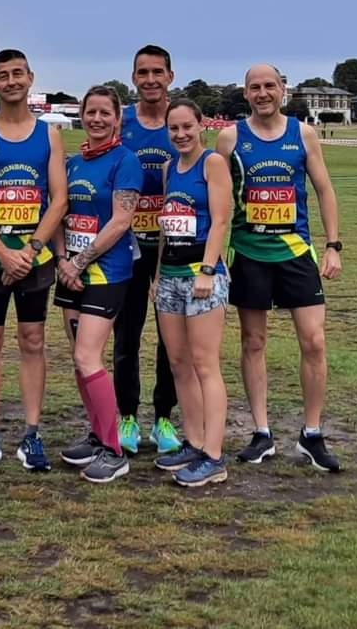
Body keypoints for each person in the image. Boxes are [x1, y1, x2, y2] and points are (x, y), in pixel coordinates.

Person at [216, 64, 343, 472]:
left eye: (270, 85)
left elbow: (323, 189)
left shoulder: (303, 134)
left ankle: (312, 434)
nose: (263, 92)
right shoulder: (230, 137)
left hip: (295, 253)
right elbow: (217, 198)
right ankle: (261, 432)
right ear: (246, 93)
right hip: (249, 254)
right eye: (255, 87)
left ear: (283, 89)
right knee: (253, 342)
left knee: (314, 342)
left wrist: (333, 246)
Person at [0, 49, 67, 472]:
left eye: (17, 74)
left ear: (30, 78)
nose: (10, 81)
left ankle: (32, 433)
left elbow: (58, 198)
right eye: (2, 75)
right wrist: (4, 252)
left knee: (33, 341)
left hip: (34, 259)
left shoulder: (50, 136)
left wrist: (31, 250)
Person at [55, 85, 141, 484]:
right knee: (78, 358)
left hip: (107, 271)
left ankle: (114, 450)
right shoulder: (74, 163)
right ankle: (96, 433)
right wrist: (61, 259)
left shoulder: (126, 161)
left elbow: (121, 221)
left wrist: (79, 261)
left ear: (118, 118)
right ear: (82, 115)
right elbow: (60, 212)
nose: (97, 119)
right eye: (91, 112)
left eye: (106, 112)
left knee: (89, 356)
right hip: (69, 269)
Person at [151, 99, 232, 487]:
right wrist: (155, 276)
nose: (181, 134)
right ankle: (195, 442)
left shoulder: (212, 163)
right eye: (174, 128)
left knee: (205, 364)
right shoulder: (170, 168)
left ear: (202, 125)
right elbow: (167, 227)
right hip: (169, 276)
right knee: (179, 363)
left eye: (187, 126)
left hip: (202, 276)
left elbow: (219, 220)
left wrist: (207, 269)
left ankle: (215, 456)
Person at [113, 45, 181, 455]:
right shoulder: (122, 124)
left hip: (173, 250)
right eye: (143, 72)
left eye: (158, 71)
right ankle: (127, 416)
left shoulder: (181, 123)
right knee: (127, 337)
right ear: (134, 77)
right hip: (127, 249)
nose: (151, 79)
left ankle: (164, 419)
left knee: (172, 341)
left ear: (170, 76)